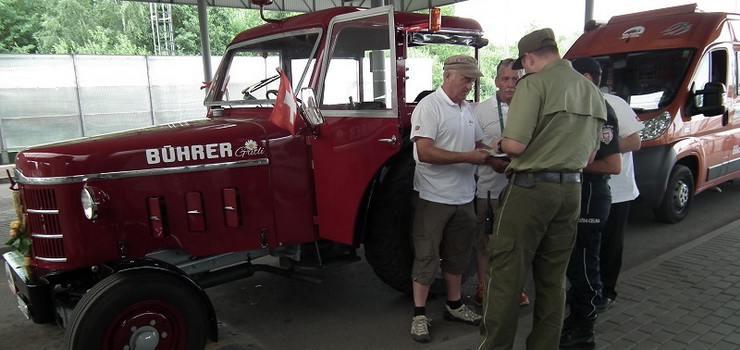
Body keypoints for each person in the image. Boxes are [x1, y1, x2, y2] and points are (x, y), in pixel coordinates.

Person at [477, 28, 606, 350]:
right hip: (571, 191)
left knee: (506, 275)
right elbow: (590, 155)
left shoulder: (534, 83)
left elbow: (516, 145)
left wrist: (498, 142)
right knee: (553, 279)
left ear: (529, 58)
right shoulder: (590, 90)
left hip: (531, 191)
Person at [409, 54, 490, 343]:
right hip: (434, 197)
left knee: (457, 255)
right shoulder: (429, 106)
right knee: (427, 255)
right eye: (466, 79)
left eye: (472, 80)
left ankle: (453, 305)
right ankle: (419, 314)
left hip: (464, 196)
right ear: (448, 76)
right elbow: (425, 152)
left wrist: (496, 155)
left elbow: (479, 144)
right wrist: (468, 157)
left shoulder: (467, 109)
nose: (470, 85)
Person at [560, 57, 622, 350]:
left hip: (591, 197)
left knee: (585, 264)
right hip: (577, 194)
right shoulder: (581, 106)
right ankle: (576, 318)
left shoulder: (599, 109)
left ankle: (585, 328)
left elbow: (612, 164)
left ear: (584, 77)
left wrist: (565, 163)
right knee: (575, 264)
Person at [473, 58, 529, 307]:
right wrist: (490, 160)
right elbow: (472, 145)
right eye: (505, 79)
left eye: (515, 80)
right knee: (485, 241)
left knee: (516, 242)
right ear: (496, 81)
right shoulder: (480, 110)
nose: (510, 85)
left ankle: (514, 287)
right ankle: (484, 284)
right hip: (489, 188)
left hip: (521, 188)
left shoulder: (530, 108)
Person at [599, 81, 644, 312]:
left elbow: (635, 141)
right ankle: (587, 290)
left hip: (617, 190)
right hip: (588, 189)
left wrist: (601, 150)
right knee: (587, 245)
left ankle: (607, 292)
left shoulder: (614, 104)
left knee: (610, 245)